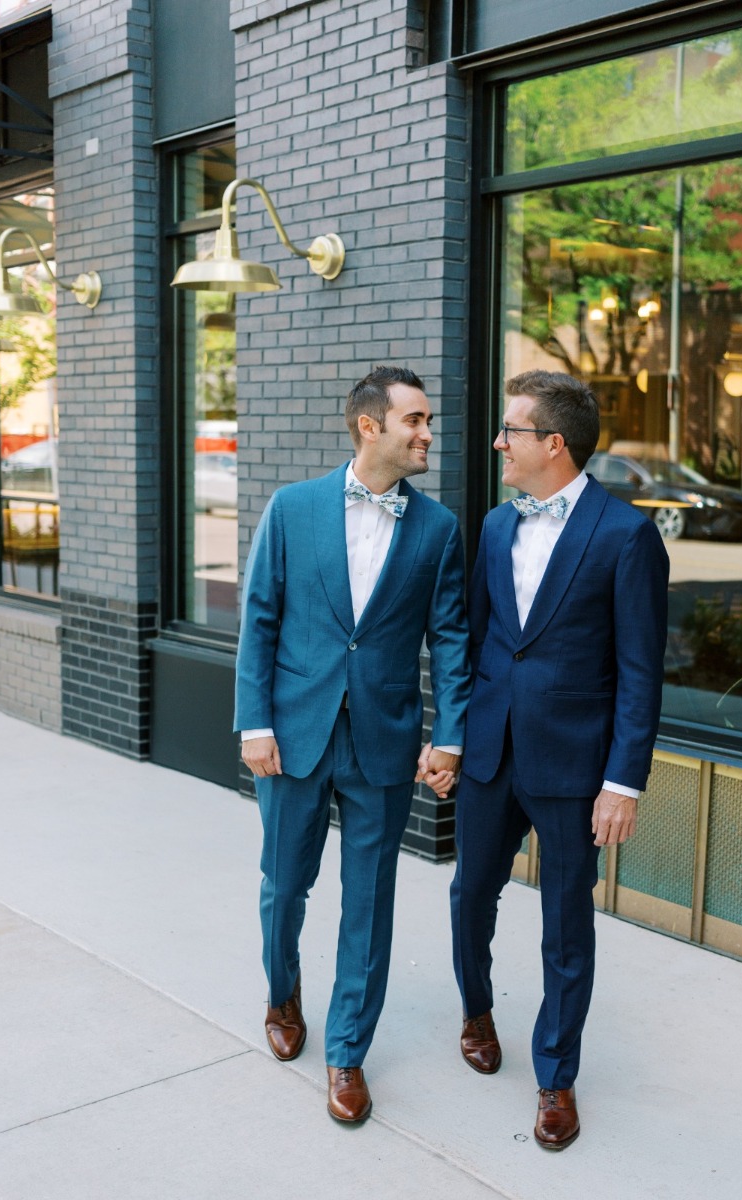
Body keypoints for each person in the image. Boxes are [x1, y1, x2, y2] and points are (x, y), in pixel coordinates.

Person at [236, 365, 470, 1124]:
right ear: (371, 426)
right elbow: (261, 619)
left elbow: (453, 642)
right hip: (294, 735)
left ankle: (347, 1052)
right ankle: (282, 991)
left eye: (428, 420)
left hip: (384, 740)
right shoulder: (293, 508)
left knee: (369, 903)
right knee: (283, 888)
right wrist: (256, 722)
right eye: (416, 421)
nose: (428, 433)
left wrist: (451, 736)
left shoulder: (437, 527)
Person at [446, 369, 668, 1150]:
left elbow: (641, 672)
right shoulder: (497, 526)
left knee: (565, 929)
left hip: (577, 771)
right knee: (470, 896)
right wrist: (454, 737)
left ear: (554, 444)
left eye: (511, 430)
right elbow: (477, 644)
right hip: (490, 755)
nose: (499, 442)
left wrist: (623, 781)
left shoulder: (626, 535)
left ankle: (555, 1078)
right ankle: (476, 1010)